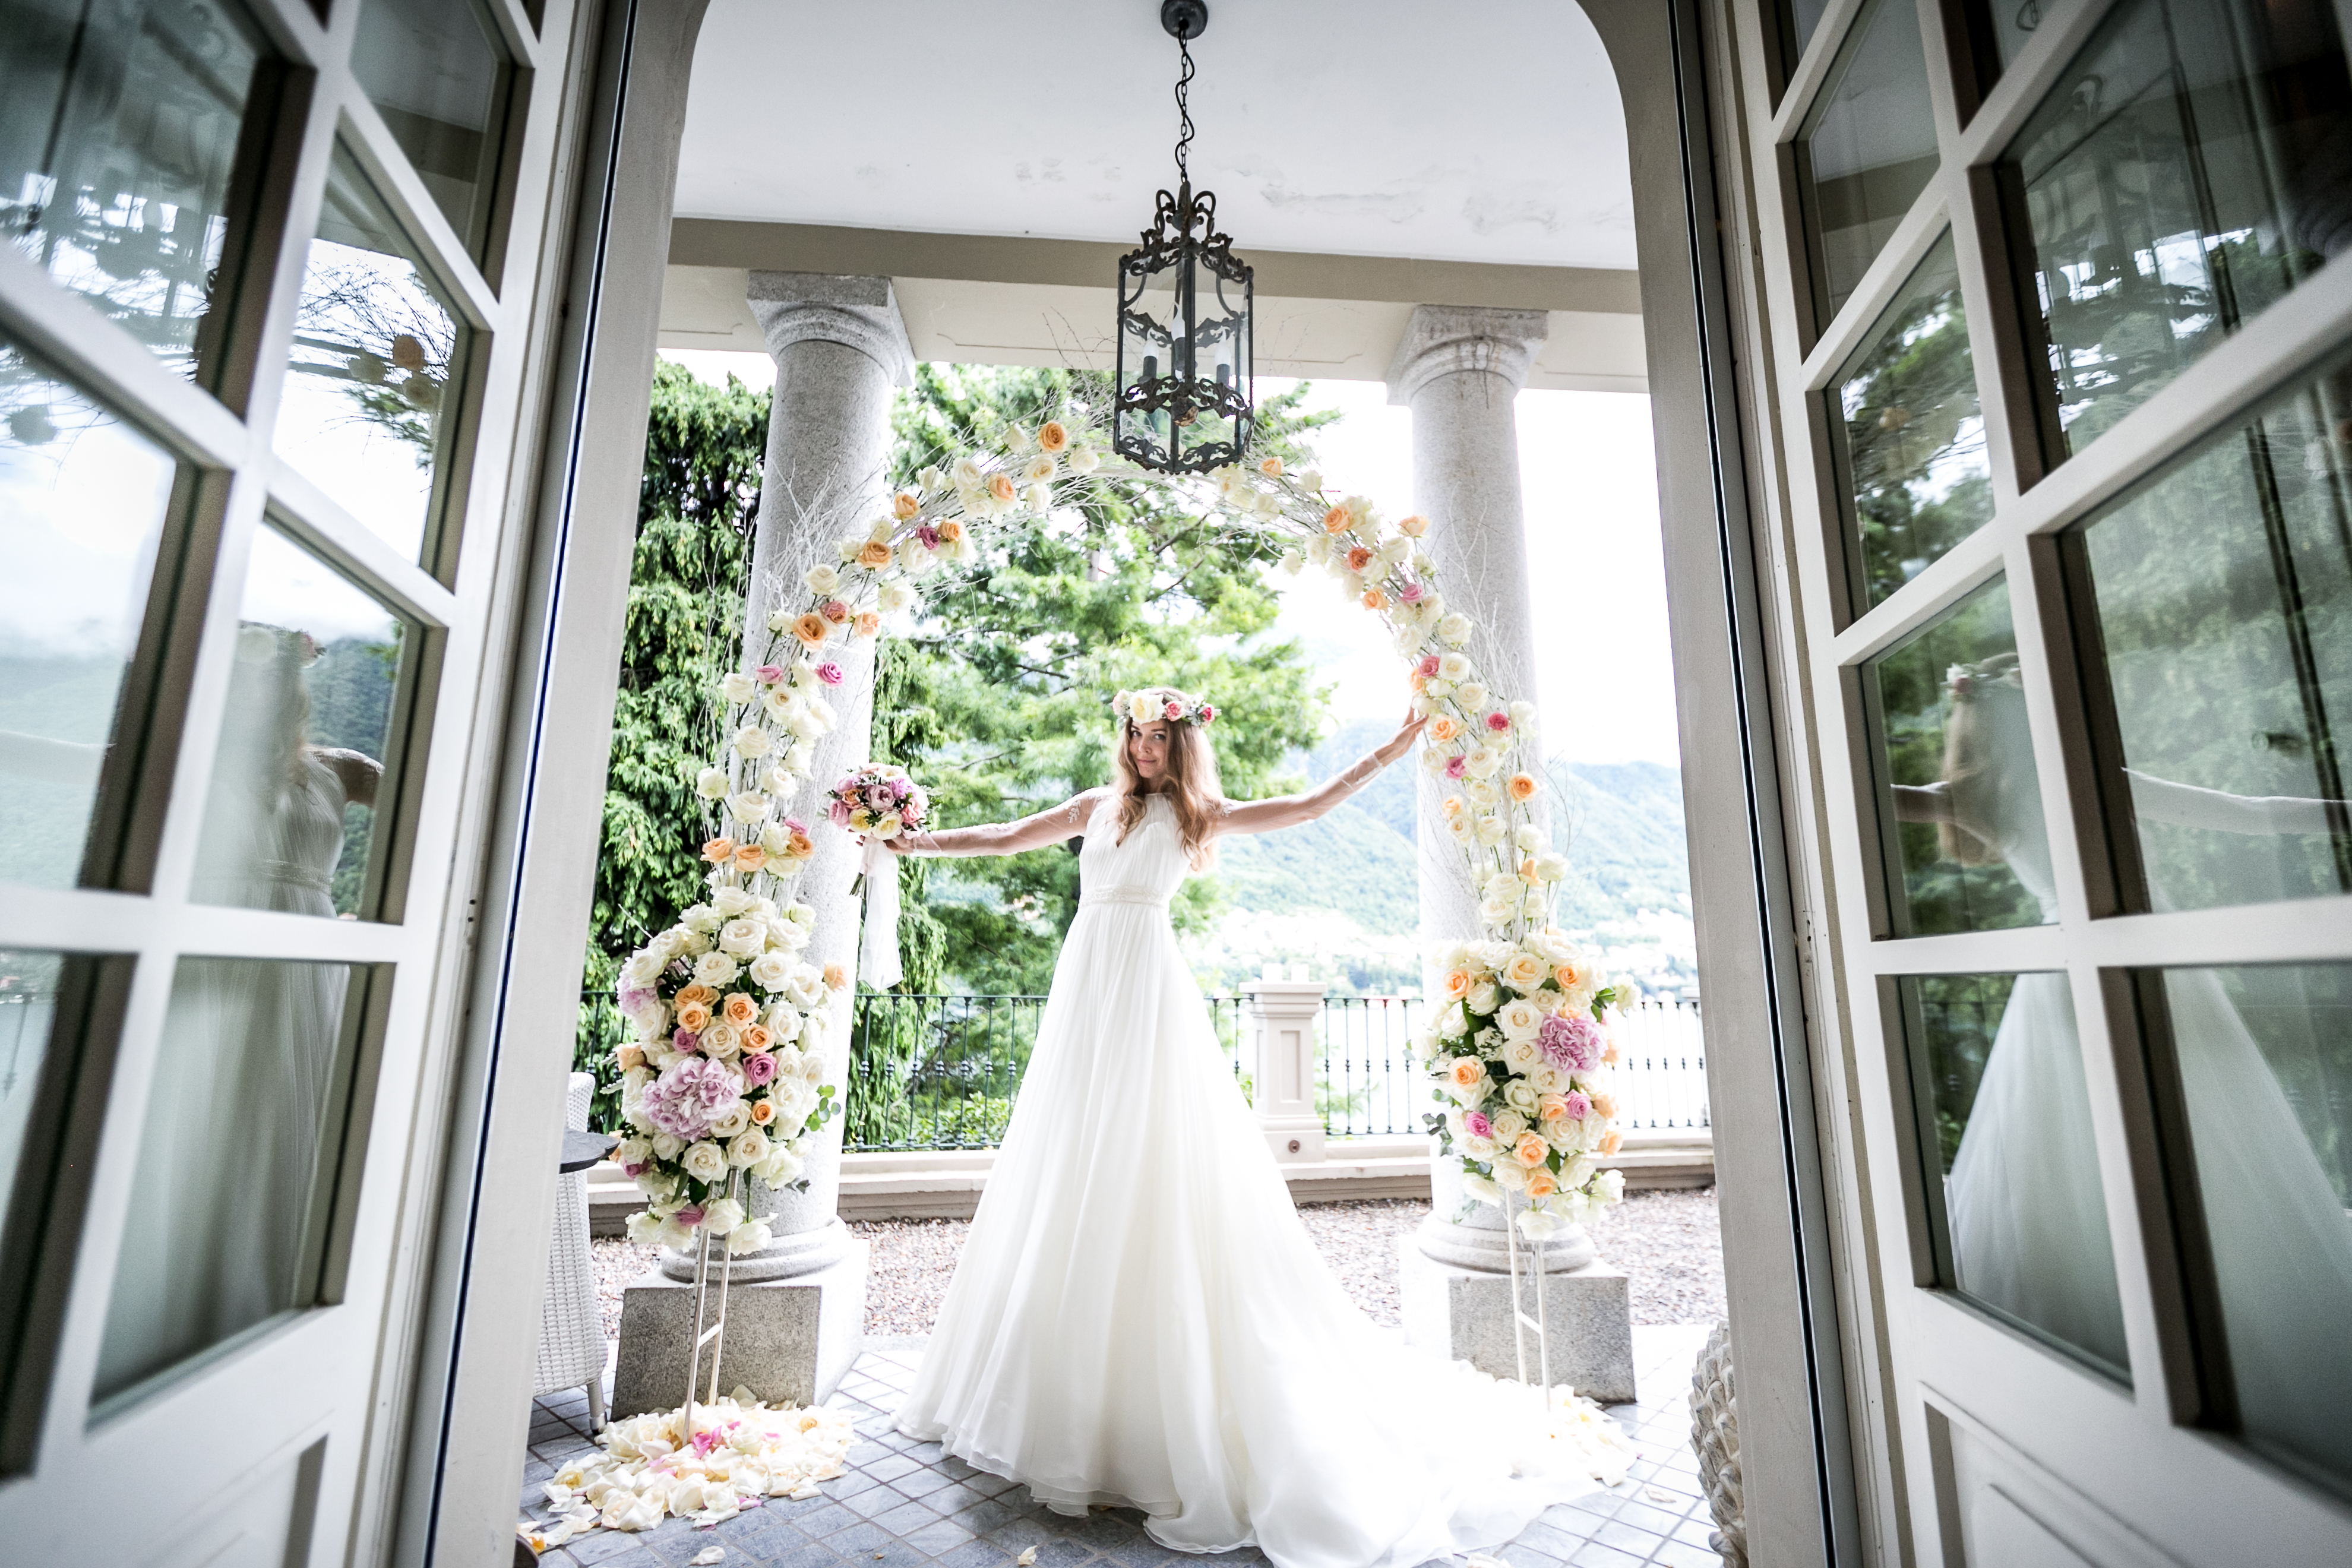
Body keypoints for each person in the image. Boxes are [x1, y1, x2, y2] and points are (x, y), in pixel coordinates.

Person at [882, 686, 1628, 1568]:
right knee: (1070, 1150)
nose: (1146, 747)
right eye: (1137, 734)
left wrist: (1388, 753)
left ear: (1181, 745)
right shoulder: (1094, 807)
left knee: (1152, 1149)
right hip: (1086, 986)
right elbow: (1005, 837)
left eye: (1160, 736)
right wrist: (910, 841)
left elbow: (1309, 806)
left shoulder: (1198, 815)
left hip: (1147, 989)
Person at [1893, 657, 2352, 1442]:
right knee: (2198, 1143)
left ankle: (2104, 1368)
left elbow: (1866, 795)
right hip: (2139, 965)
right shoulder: (2096, 778)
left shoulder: (1977, 799)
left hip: (2072, 983)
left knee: (2072, 1166)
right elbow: (2257, 812)